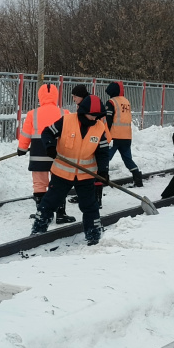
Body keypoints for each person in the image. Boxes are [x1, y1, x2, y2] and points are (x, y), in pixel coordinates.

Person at [31, 95, 109, 245]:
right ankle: (38, 230)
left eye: (97, 116)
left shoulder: (100, 127)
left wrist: (103, 171)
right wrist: (50, 146)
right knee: (50, 202)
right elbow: (47, 133)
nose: (94, 119)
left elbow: (103, 151)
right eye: (92, 115)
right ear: (83, 112)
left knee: (90, 206)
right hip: (62, 172)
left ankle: (93, 234)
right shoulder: (66, 120)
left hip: (85, 175)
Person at [17, 84, 75, 224]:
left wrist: (22, 148)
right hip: (58, 154)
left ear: (40, 96)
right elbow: (69, 135)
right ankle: (61, 214)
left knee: (39, 184)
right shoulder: (64, 113)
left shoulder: (33, 114)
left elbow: (25, 134)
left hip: (38, 153)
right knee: (59, 184)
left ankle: (41, 214)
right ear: (56, 96)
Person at [105, 81, 143, 187]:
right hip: (126, 136)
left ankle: (102, 179)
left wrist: (105, 134)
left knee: (105, 158)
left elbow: (108, 120)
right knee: (127, 159)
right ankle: (137, 177)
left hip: (114, 136)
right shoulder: (126, 101)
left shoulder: (111, 102)